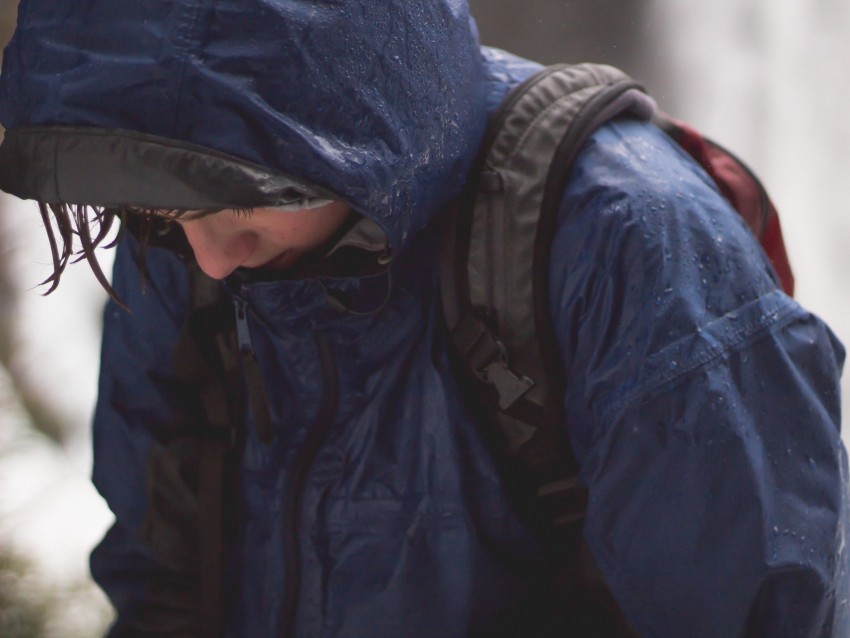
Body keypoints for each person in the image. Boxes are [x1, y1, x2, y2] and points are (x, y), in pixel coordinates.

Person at [0, 1, 847, 636]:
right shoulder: (177, 236)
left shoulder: (628, 242)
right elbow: (163, 580)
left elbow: (758, 609)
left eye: (248, 196)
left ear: (351, 115)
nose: (215, 256)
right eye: (157, 215)